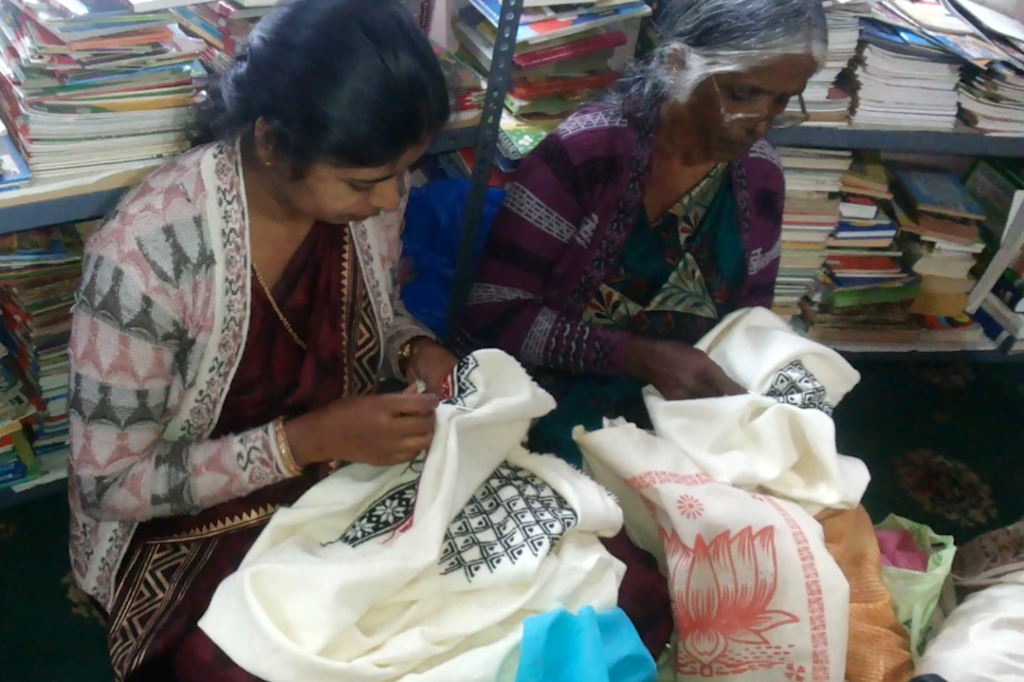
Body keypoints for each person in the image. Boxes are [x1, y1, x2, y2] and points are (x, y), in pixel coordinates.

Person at [66, 1, 458, 680]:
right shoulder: (144, 260)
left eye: (405, 171)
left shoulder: (360, 208)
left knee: (487, 575)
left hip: (337, 462)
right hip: (184, 521)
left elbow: (380, 310)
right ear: (272, 143)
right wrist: (307, 442)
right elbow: (113, 484)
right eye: (367, 182)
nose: (394, 200)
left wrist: (412, 349)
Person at [460, 0, 826, 467]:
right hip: (540, 401)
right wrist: (640, 357)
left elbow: (749, 326)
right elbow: (492, 315)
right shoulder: (586, 156)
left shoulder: (759, 178)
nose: (762, 122)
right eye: (742, 94)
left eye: (781, 101)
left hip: (680, 412)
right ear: (678, 66)